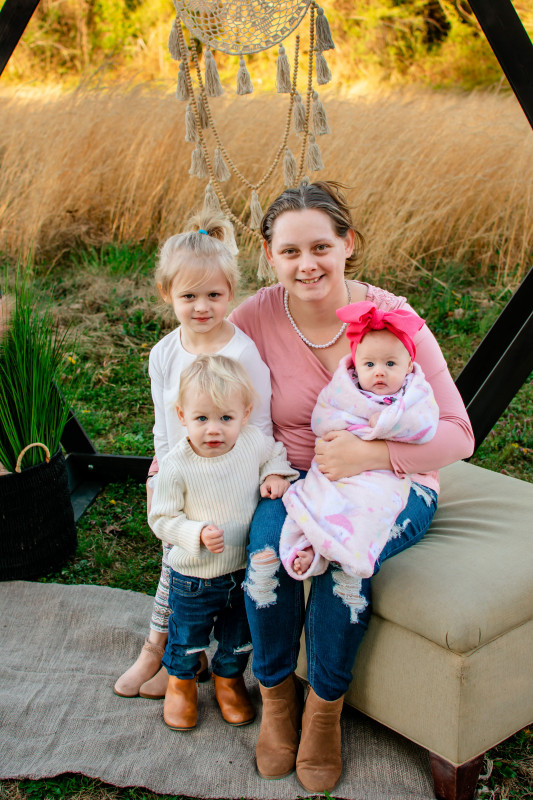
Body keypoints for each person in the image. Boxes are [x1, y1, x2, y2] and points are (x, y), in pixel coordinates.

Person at [228, 180, 474, 793]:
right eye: (289, 252)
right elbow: (193, 365)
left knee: (343, 565)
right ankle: (278, 698)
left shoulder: (396, 319)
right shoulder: (255, 316)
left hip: (391, 483)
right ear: (269, 254)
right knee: (265, 558)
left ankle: (323, 713)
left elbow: (458, 433)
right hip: (297, 479)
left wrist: (374, 451)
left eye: (320, 246)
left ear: (348, 244)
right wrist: (166, 453)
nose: (306, 264)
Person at [113, 212, 273, 700]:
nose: (201, 307)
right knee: (174, 552)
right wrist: (161, 471)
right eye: (188, 297)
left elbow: (258, 423)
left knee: (187, 563)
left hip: (227, 480)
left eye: (214, 296)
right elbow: (166, 422)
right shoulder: (164, 352)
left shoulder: (242, 353)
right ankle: (170, 652)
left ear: (231, 294)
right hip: (181, 473)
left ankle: (164, 650)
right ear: (168, 295)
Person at [148, 354, 299, 730]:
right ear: (182, 416)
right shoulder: (177, 464)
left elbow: (275, 454)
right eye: (201, 419)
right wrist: (194, 533)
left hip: (242, 571)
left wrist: (276, 476)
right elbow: (162, 518)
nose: (213, 429)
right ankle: (181, 684)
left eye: (225, 418)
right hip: (194, 576)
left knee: (237, 635)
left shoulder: (251, 443)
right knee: (187, 634)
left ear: (245, 414)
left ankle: (228, 680)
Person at [280, 301, 439, 580]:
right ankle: (310, 546)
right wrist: (345, 428)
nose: (379, 371)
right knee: (321, 501)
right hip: (339, 468)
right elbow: (322, 419)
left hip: (384, 474)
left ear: (408, 366)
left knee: (368, 510)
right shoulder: (345, 390)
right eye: (369, 364)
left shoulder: (413, 394)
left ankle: (345, 551)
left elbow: (425, 425)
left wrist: (390, 424)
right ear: (355, 365)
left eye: (390, 363)